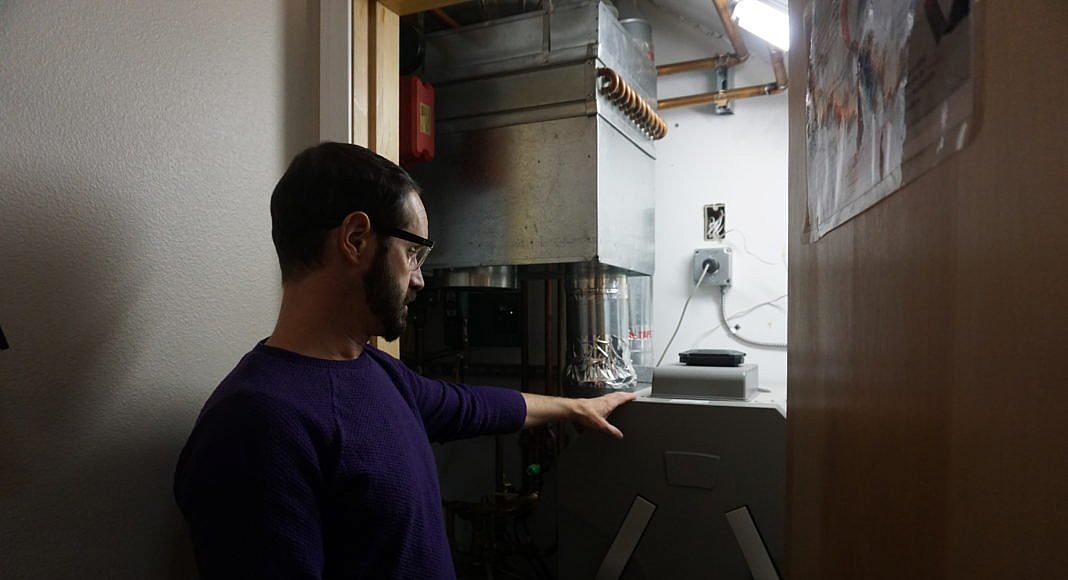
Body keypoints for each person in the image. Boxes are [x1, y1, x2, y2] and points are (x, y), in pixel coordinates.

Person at [173, 142, 635, 579]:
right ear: (355, 239)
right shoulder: (257, 423)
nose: (419, 281)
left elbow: (469, 406)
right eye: (413, 253)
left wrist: (577, 408)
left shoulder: (378, 372)